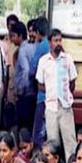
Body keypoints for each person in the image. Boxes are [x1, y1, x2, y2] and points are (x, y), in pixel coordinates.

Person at [36, 29, 77, 161]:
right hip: (51, 108)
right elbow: (40, 84)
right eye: (55, 41)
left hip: (65, 106)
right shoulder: (43, 61)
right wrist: (51, 92)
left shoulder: (68, 59)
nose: (58, 43)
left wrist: (65, 96)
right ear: (50, 43)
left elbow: (72, 82)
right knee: (53, 142)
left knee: (70, 141)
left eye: (60, 40)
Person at [30, 17, 50, 147]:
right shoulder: (53, 45)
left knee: (38, 134)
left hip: (42, 96)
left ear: (37, 32)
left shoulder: (41, 46)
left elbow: (32, 70)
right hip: (54, 97)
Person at [16, 21, 39, 136]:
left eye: (33, 31)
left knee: (24, 125)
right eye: (29, 31)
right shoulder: (39, 47)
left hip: (26, 92)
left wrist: (22, 88)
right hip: (36, 91)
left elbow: (26, 70)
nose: (31, 34)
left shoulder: (24, 49)